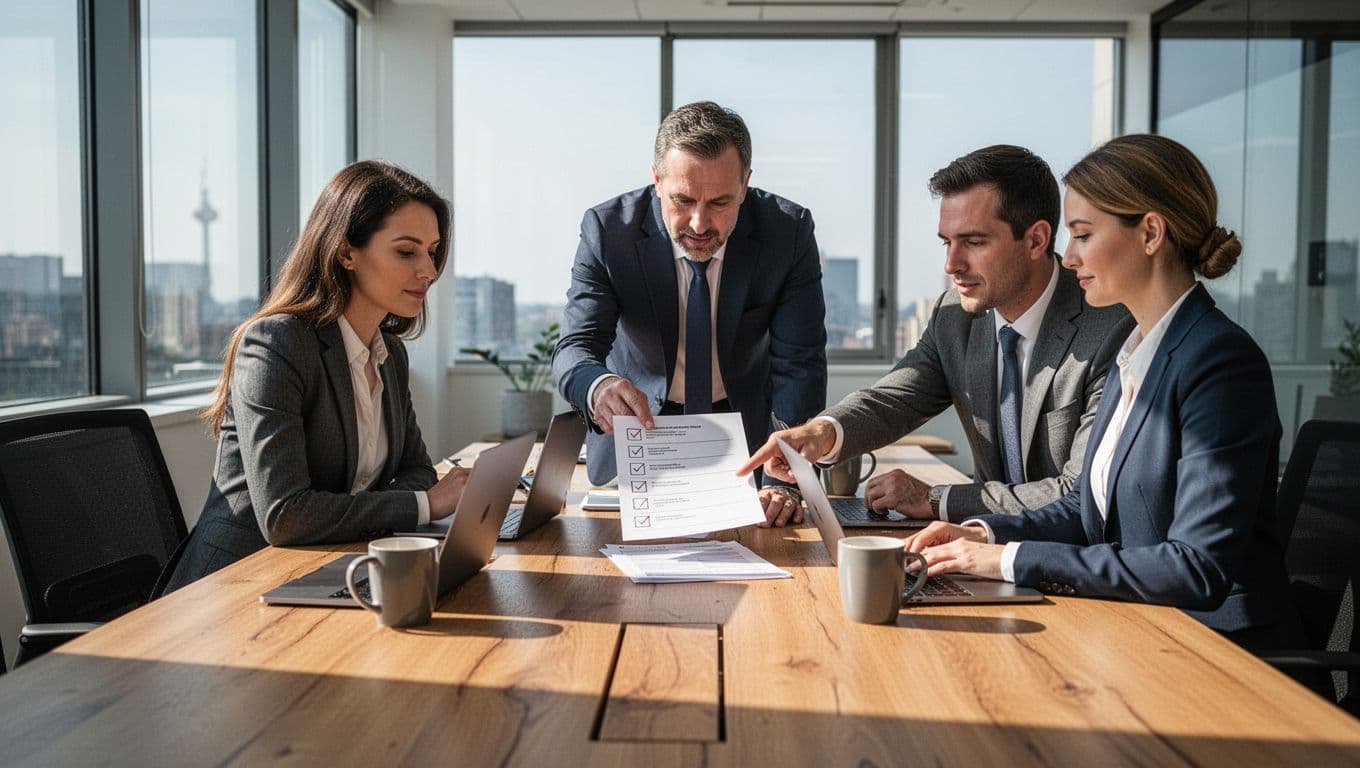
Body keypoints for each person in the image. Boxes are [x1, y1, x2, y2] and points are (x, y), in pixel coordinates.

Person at [900, 134, 1302, 652]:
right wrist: (983, 534)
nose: (1068, 258)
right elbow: (1086, 510)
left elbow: (1196, 567)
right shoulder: (1135, 353)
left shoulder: (1221, 362)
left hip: (1221, 652)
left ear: (1151, 233)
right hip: (1139, 633)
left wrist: (1008, 560)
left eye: (1084, 235)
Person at [742, 145, 1132, 526]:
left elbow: (1078, 492)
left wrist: (936, 499)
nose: (952, 264)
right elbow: (893, 399)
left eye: (974, 242)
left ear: (1036, 240)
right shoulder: (954, 316)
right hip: (981, 549)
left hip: (1069, 561)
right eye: (947, 242)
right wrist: (820, 433)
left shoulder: (1110, 329)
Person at [166, 161, 467, 589]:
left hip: (328, 568)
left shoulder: (390, 355)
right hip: (239, 584)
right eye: (406, 251)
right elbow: (285, 515)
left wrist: (409, 501)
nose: (429, 270)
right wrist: (423, 506)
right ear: (346, 253)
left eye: (432, 251)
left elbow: (416, 469)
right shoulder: (276, 344)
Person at [552, 101, 827, 523]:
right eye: (682, 200)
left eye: (720, 202)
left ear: (746, 185)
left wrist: (783, 478)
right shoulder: (610, 232)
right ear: (656, 180)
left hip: (750, 445)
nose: (699, 224)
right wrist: (598, 386)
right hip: (638, 440)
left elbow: (799, 364)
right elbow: (576, 347)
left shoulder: (786, 233)